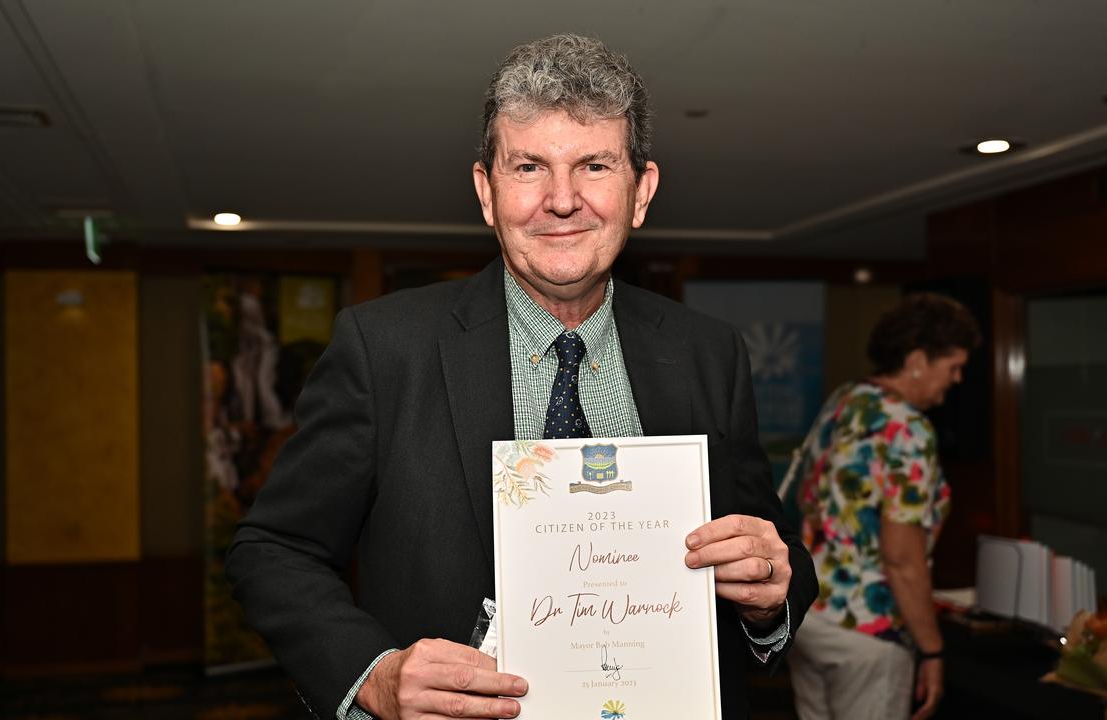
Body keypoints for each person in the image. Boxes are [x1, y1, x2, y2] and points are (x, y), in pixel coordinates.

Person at [227, 34, 817, 720]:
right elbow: (273, 548)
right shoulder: (385, 348)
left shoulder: (707, 352)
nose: (562, 201)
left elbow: (774, 551)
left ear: (642, 191)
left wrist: (772, 586)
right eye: (529, 166)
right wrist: (376, 676)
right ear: (487, 190)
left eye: (594, 165)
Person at [788, 293, 981, 720]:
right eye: (953, 366)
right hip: (867, 628)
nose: (958, 378)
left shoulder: (846, 399)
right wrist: (932, 649)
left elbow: (809, 496)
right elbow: (901, 557)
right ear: (916, 359)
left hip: (808, 612)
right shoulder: (908, 429)